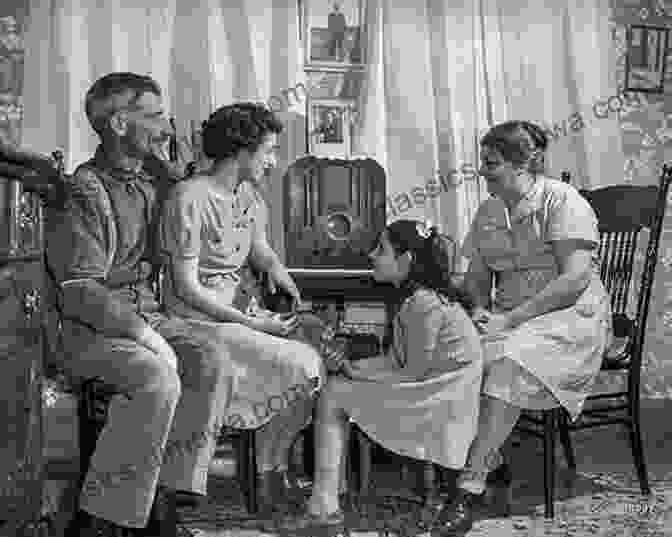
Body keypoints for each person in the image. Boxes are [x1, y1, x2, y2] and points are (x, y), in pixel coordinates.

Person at [47, 72, 236, 537]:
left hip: (145, 317)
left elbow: (205, 204)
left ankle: (165, 504)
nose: (166, 127)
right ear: (118, 125)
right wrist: (148, 337)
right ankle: (107, 522)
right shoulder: (84, 192)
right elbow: (79, 290)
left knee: (210, 360)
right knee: (156, 376)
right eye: (153, 116)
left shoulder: (155, 179)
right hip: (86, 329)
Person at [430, 120, 613, 536]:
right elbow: (477, 277)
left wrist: (509, 320)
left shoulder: (563, 202)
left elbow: (574, 280)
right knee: (455, 349)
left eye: (491, 164)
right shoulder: (489, 211)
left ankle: (468, 487)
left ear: (522, 164)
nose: (482, 171)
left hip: (570, 320)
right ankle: (489, 458)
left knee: (507, 363)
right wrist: (477, 310)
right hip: (510, 318)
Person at [159, 102, 327, 517]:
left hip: (239, 314)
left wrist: (276, 269)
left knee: (312, 340)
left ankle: (271, 466)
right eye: (268, 151)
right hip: (194, 321)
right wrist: (251, 322)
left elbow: (259, 247)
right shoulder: (189, 197)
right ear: (241, 151)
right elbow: (186, 287)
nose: (273, 161)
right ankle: (266, 472)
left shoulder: (248, 195)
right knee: (303, 363)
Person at [281, 219, 484, 533]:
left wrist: (353, 375)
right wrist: (351, 368)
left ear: (406, 261)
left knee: (334, 395)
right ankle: (328, 500)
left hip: (442, 404)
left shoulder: (423, 303)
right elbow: (394, 361)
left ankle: (324, 509)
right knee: (336, 388)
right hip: (437, 392)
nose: (372, 256)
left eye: (381, 250)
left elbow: (412, 373)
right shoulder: (416, 299)